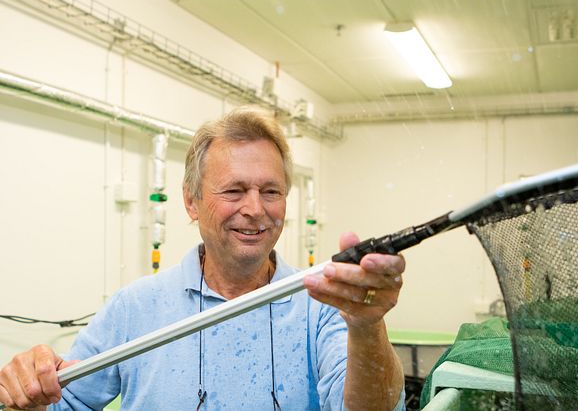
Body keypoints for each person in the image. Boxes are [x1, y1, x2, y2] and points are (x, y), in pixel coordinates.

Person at [0, 107, 405, 410]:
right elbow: (64, 404)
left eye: (271, 191)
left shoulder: (321, 305)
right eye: (233, 191)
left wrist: (368, 327)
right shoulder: (134, 308)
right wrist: (27, 392)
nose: (255, 209)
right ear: (191, 201)